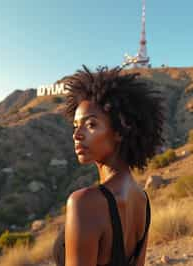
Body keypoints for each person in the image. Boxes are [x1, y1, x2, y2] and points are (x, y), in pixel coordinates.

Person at [53, 65, 164, 266]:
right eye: (76, 126)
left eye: (91, 124)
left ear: (120, 131)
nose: (77, 135)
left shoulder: (84, 202)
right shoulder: (142, 200)